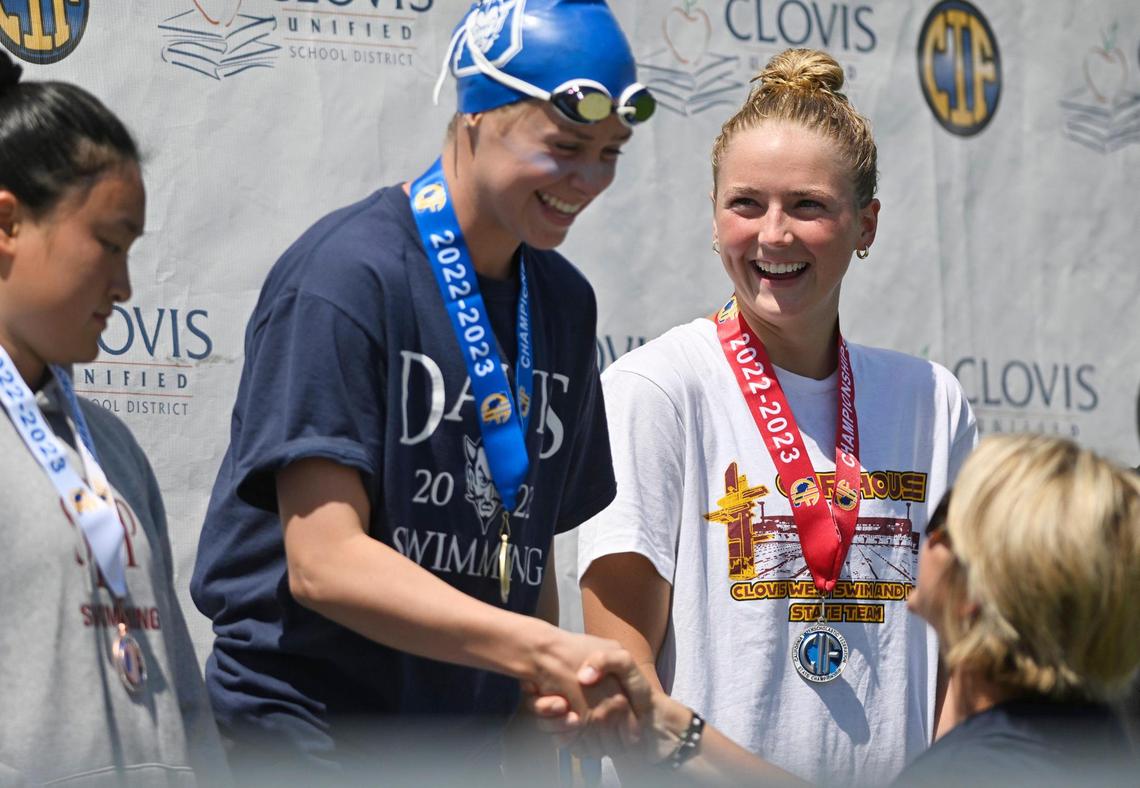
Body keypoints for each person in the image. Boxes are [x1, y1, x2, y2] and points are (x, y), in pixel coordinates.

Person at [190, 0, 654, 781]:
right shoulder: (347, 278)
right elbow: (324, 561)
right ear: (475, 113)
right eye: (566, 146)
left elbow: (523, 552)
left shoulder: (565, 303)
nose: (589, 181)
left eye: (610, 153)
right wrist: (547, 649)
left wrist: (532, 719)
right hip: (308, 736)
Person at [573, 48, 976, 785]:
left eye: (809, 206)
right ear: (715, 215)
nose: (775, 235)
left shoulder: (931, 401)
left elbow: (967, 665)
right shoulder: (655, 389)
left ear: (867, 224)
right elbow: (623, 695)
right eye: (747, 204)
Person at [547, 434, 1140, 787]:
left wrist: (675, 733)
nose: (925, 538)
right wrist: (675, 729)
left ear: (982, 590)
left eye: (947, 521)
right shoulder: (1095, 742)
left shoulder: (987, 767)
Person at [0, 53, 228, 784]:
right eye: (108, 242)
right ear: (7, 222)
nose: (126, 287)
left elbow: (186, 707)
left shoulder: (114, 449)